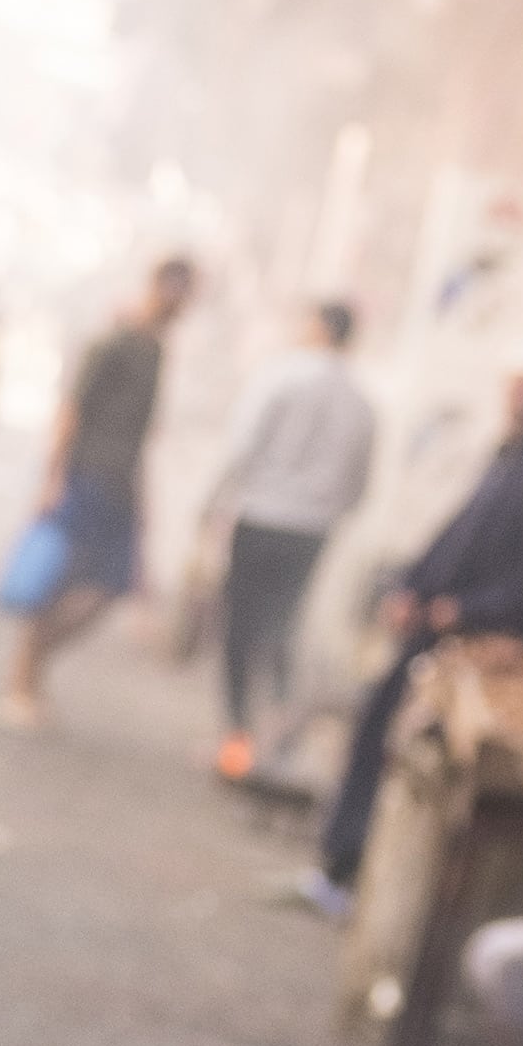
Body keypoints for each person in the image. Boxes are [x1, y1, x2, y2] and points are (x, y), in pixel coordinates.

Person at [300, 344, 523, 915]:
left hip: (478, 648)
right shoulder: (511, 458)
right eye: (518, 388)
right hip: (435, 632)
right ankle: (341, 865)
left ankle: (361, 876)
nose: (522, 401)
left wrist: (462, 612)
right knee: (376, 732)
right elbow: (457, 539)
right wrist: (412, 589)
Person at [0, 256, 195, 730]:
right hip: (84, 476)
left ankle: (34, 667)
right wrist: (52, 478)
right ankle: (21, 681)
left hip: (119, 485)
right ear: (160, 286)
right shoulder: (114, 341)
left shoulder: (156, 351)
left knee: (108, 587)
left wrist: (143, 498)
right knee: (56, 581)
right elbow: (72, 410)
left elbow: (140, 435)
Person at [207, 298, 375, 781]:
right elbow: (359, 480)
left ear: (319, 328)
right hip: (312, 528)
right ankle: (277, 741)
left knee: (241, 626)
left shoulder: (281, 377)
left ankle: (237, 738)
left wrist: (215, 503)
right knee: (283, 625)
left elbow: (242, 445)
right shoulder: (360, 401)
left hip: (261, 515)